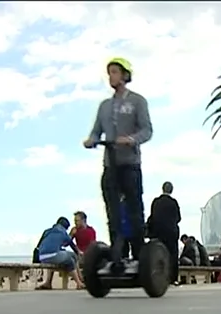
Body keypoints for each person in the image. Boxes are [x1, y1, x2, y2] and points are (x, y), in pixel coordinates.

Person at [83, 57, 152, 273]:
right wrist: (91, 139)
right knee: (112, 212)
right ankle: (117, 257)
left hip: (130, 164)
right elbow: (96, 130)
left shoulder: (138, 101)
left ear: (124, 75)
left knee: (134, 210)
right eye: (109, 72)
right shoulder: (104, 106)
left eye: (114, 72)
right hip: (110, 165)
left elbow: (147, 130)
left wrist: (131, 139)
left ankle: (140, 256)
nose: (111, 76)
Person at [35, 217, 85, 290]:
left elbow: (39, 245)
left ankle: (48, 283)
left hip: (42, 257)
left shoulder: (47, 231)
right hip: (53, 255)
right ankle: (79, 282)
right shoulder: (63, 232)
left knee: (66, 259)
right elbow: (72, 245)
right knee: (72, 257)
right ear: (65, 227)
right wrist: (79, 252)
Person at [147, 181, 182, 285]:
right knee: (172, 254)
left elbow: (152, 216)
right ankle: (173, 279)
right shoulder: (174, 203)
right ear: (171, 190)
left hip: (158, 232)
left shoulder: (156, 202)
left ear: (162, 189)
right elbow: (178, 218)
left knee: (158, 255)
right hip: (171, 233)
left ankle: (158, 278)